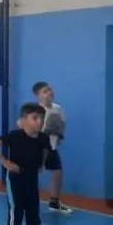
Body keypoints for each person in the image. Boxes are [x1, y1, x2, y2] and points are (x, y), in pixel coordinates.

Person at [0, 103, 49, 225]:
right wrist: (5, 162)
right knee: (16, 210)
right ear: (24, 120)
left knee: (33, 212)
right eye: (35, 118)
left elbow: (45, 150)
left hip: (32, 179)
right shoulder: (15, 136)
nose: (39, 121)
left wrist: (41, 164)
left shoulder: (43, 138)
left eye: (42, 118)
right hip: (15, 179)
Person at [33, 82, 72, 213]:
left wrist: (58, 136)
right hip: (37, 147)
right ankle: (26, 201)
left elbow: (61, 126)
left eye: (50, 90)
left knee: (57, 173)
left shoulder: (58, 108)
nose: (49, 93)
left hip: (52, 147)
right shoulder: (35, 110)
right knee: (32, 174)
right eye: (45, 91)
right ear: (38, 95)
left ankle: (54, 203)